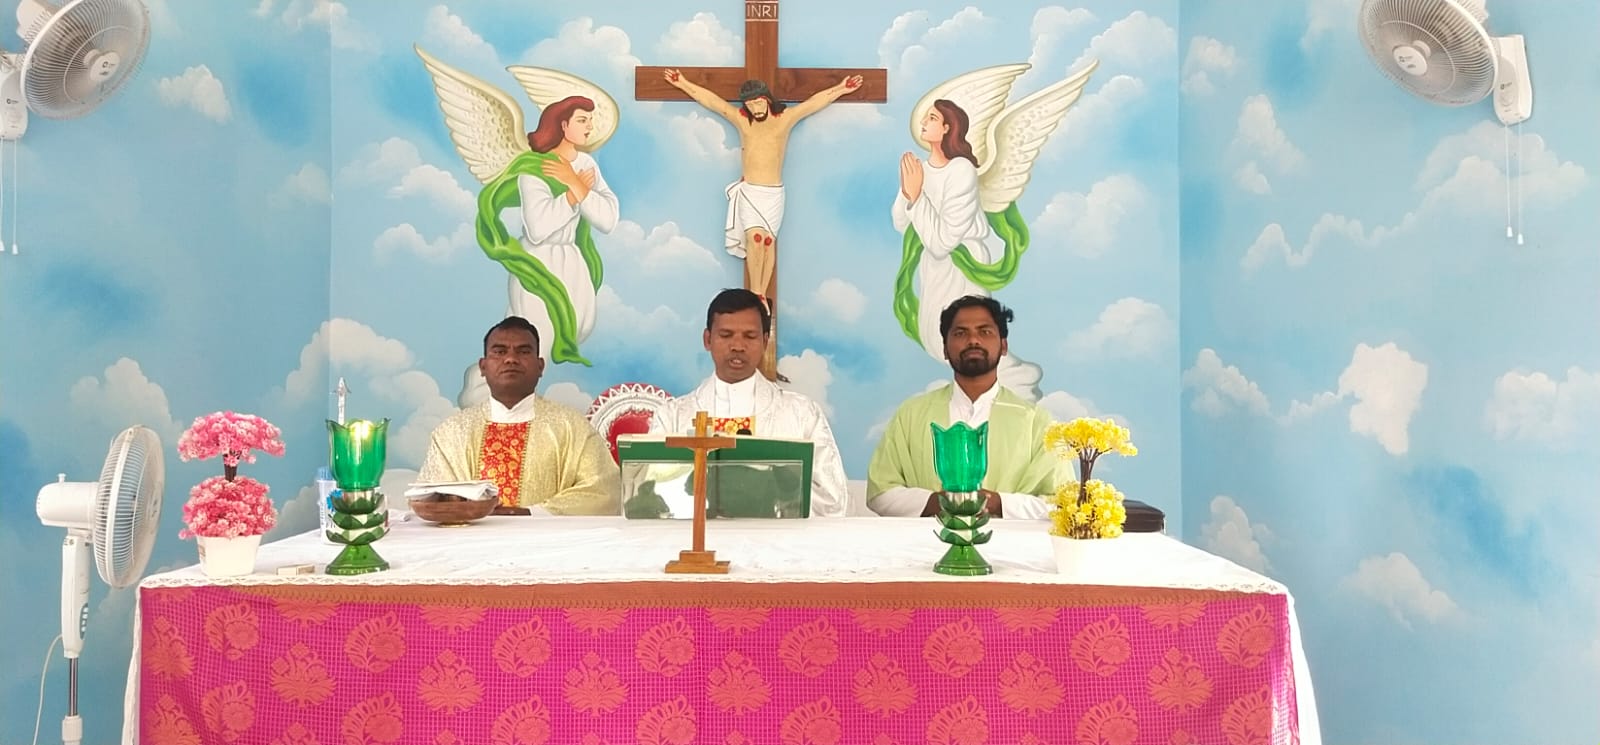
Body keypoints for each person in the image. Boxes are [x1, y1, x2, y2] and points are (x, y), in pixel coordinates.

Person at [460, 96, 620, 405]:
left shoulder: (586, 166)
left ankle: (522, 407)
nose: (590, 126)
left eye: (590, 119)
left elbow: (607, 218)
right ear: (563, 125)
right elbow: (539, 226)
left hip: (571, 262)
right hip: (539, 262)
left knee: (563, 333)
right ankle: (485, 399)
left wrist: (575, 183)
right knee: (531, 339)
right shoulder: (534, 168)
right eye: (582, 120)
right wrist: (574, 194)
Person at [661, 71, 861, 305]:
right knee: (755, 238)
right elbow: (713, 102)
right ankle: (755, 294)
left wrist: (841, 88)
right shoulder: (743, 121)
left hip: (774, 193)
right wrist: (683, 83)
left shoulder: (784, 119)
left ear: (767, 99)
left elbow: (813, 103)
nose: (755, 108)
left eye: (758, 102)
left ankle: (761, 293)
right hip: (751, 192)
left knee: (767, 242)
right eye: (750, 104)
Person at [650, 288, 849, 517]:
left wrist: (765, 496)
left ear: (765, 341)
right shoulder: (672, 416)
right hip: (698, 537)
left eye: (750, 336)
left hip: (776, 539)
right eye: (726, 335)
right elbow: (652, 493)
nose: (737, 346)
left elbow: (832, 501)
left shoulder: (802, 414)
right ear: (707, 339)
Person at [892, 99, 1043, 400]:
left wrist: (917, 197)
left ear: (948, 127)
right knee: (936, 338)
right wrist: (911, 193)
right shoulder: (920, 170)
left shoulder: (961, 170)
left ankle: (1018, 385)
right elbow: (901, 222)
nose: (923, 122)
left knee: (968, 334)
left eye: (931, 118)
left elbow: (943, 242)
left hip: (962, 263)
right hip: (934, 266)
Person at [867, 296, 1068, 519]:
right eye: (960, 333)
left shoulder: (1037, 422)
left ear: (1003, 346)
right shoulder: (911, 415)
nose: (973, 340)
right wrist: (938, 503)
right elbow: (881, 493)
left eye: (985, 331)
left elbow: (1061, 503)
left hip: (1007, 541)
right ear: (945, 349)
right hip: (927, 539)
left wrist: (997, 504)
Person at [420, 317, 620, 515]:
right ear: (483, 367)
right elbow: (430, 499)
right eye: (499, 352)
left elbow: (604, 492)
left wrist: (531, 513)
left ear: (540, 366)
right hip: (472, 535)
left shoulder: (572, 427)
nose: (511, 359)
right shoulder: (451, 433)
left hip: (546, 536)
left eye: (523, 351)